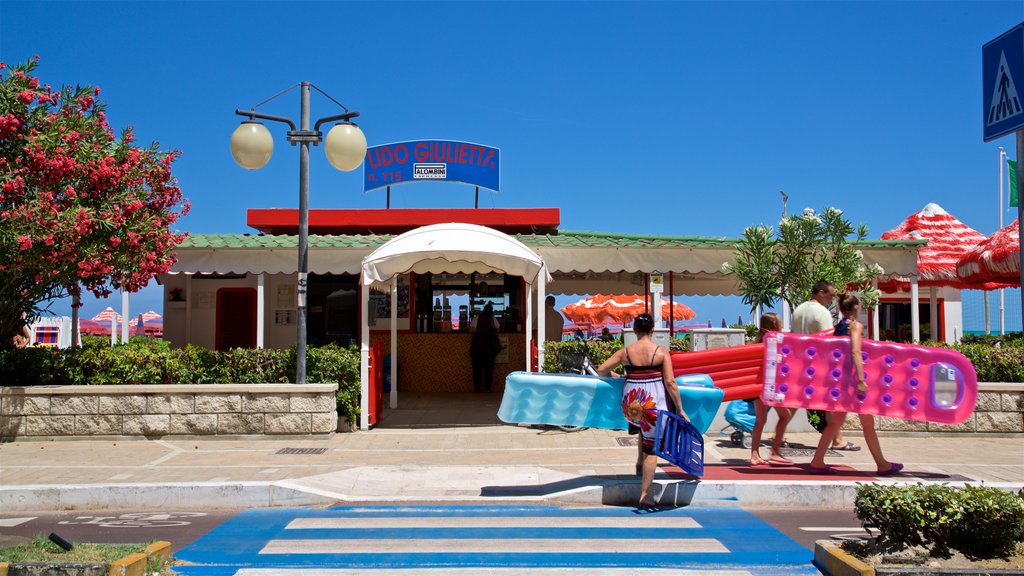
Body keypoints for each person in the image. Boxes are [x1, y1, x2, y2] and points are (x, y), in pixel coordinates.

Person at [597, 313, 687, 509]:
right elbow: (670, 383)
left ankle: (639, 463)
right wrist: (680, 409)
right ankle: (645, 495)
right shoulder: (661, 352)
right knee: (652, 448)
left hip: (631, 406)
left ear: (635, 331)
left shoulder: (625, 352)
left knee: (642, 430)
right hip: (652, 406)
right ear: (652, 330)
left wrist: (617, 375)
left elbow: (601, 370)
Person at [808, 293, 903, 476]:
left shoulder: (839, 327)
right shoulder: (855, 326)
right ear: (856, 308)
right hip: (853, 382)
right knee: (867, 424)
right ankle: (882, 464)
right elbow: (855, 351)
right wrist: (861, 380)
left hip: (841, 381)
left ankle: (817, 460)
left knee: (835, 423)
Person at [792, 280, 860, 451]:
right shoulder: (822, 312)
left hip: (799, 361)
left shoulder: (798, 310)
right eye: (830, 294)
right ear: (821, 293)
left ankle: (777, 437)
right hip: (818, 363)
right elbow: (828, 342)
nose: (832, 298)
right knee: (830, 402)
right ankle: (837, 440)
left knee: (794, 401)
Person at [748, 313, 795, 467]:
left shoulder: (758, 341)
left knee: (761, 420)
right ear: (775, 325)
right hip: (770, 386)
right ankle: (775, 452)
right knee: (785, 416)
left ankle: (755, 454)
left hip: (758, 386)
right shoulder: (774, 341)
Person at [469, 303, 501, 393]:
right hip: (489, 349)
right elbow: (498, 329)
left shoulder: (477, 318)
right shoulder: (492, 319)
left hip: (476, 348)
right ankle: (487, 387)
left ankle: (477, 388)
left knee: (476, 369)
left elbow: (471, 330)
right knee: (488, 369)